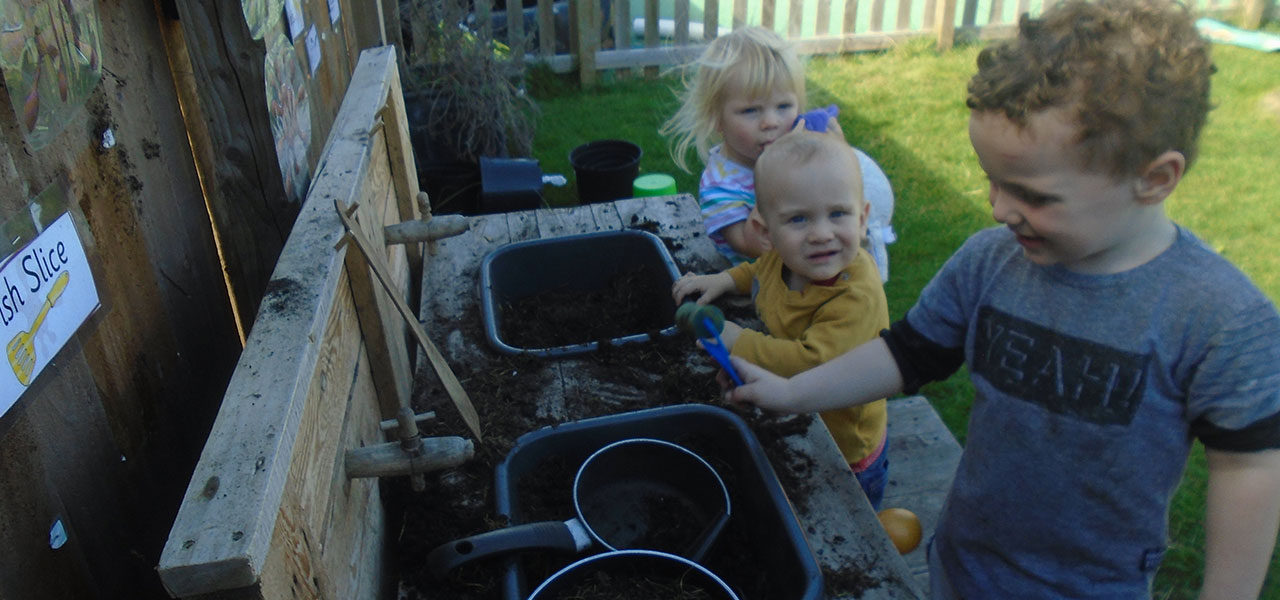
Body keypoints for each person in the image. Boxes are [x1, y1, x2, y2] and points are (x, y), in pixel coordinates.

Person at [721, 0, 1280, 597]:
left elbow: (1250, 467)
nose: (999, 207)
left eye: (1033, 194)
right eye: (991, 179)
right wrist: (790, 392)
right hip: (965, 565)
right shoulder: (992, 261)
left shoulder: (1220, 320)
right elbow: (905, 354)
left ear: (1155, 178)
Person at [672, 130, 892, 509]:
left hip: (842, 447)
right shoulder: (783, 258)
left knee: (840, 521)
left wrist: (737, 341)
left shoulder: (855, 295)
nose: (821, 234)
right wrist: (726, 279)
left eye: (838, 214)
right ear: (766, 232)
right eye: (799, 220)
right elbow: (761, 271)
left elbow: (812, 362)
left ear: (863, 218)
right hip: (796, 417)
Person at [660, 27, 897, 282]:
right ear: (717, 119)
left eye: (784, 106)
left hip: (812, 272)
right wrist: (775, 169)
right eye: (751, 111)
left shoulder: (797, 157)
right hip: (762, 291)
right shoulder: (721, 184)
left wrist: (835, 153)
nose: (770, 122)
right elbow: (753, 245)